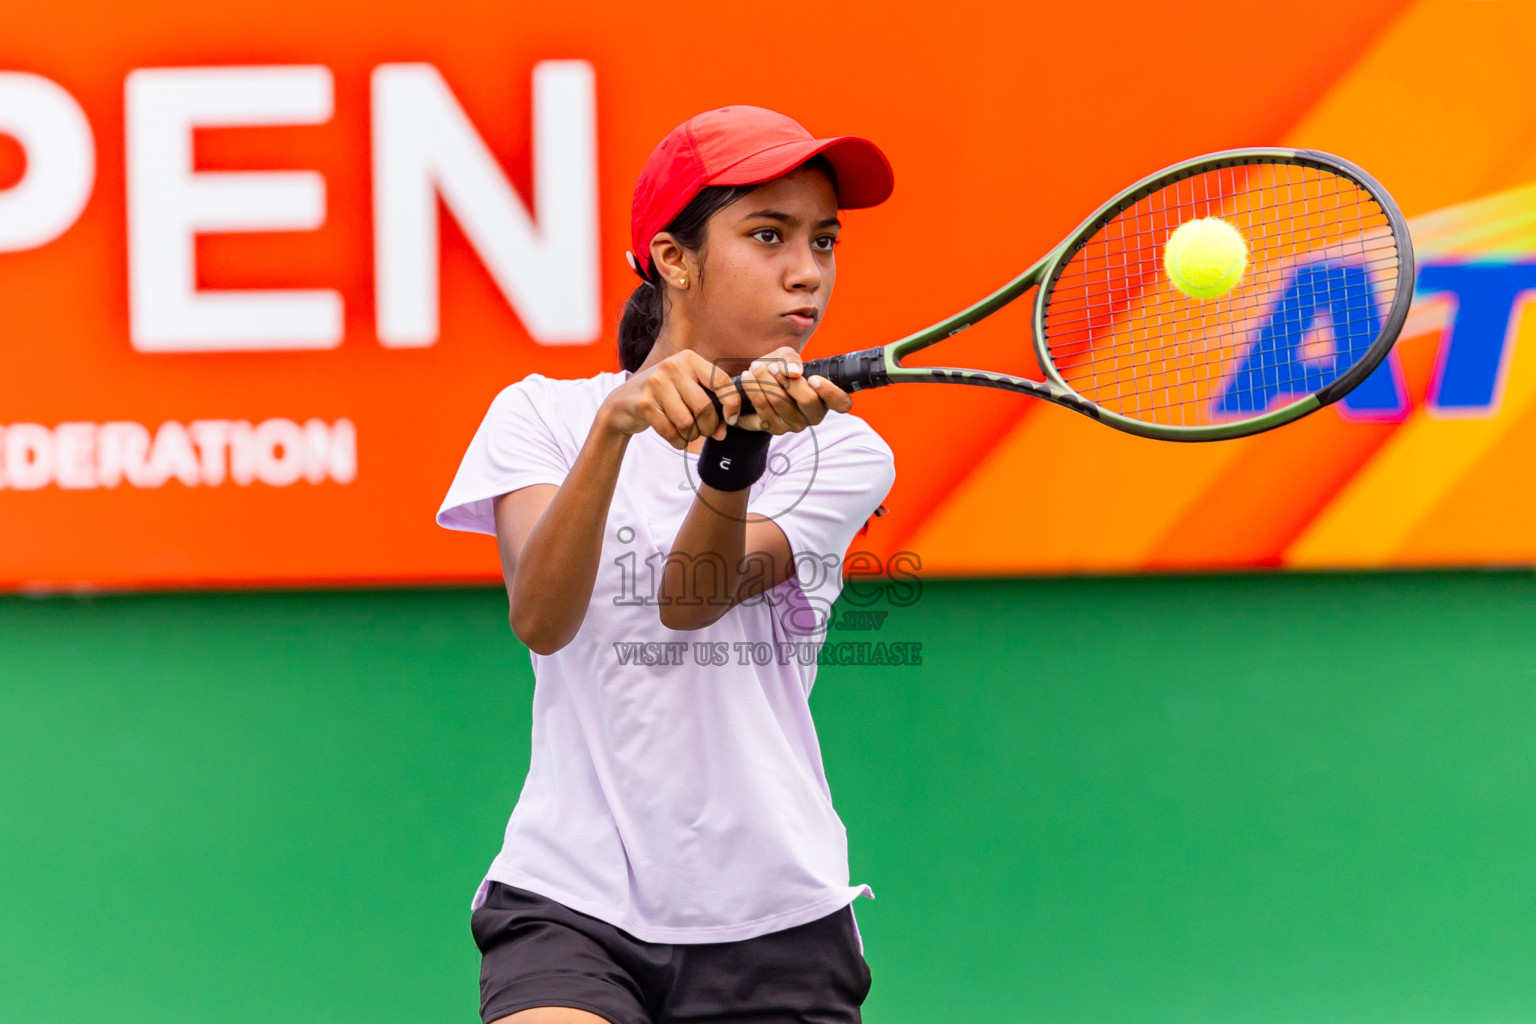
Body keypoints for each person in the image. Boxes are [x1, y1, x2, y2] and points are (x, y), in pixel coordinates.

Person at [436, 105, 897, 1024]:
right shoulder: (541, 416)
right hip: (569, 899)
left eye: (823, 240)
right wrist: (616, 427)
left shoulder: (847, 453)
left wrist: (738, 455)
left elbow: (693, 601)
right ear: (673, 258)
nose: (807, 271)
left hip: (776, 922)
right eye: (768, 235)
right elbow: (542, 616)